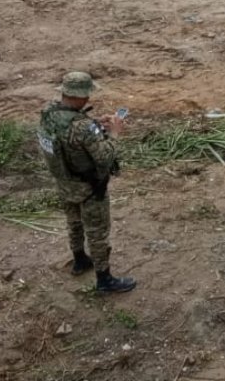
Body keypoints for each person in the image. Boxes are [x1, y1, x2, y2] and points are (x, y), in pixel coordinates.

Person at [36, 72, 136, 294]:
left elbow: (66, 140)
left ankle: (79, 259)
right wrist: (115, 133)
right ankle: (105, 280)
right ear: (83, 96)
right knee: (97, 233)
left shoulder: (48, 115)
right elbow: (104, 157)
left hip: (64, 183)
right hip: (89, 189)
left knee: (74, 222)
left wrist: (92, 124)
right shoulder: (82, 127)